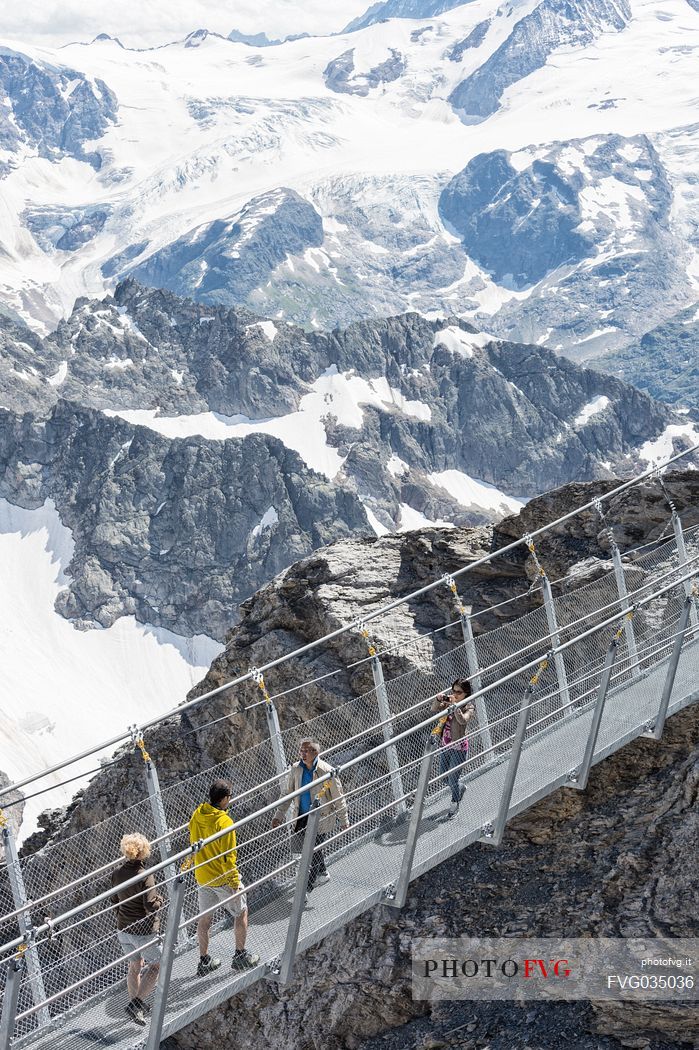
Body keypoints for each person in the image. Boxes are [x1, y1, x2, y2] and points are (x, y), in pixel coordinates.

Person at [189, 779, 260, 976]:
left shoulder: (197, 814)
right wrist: (235, 883)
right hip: (221, 878)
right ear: (224, 799)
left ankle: (204, 960)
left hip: (202, 877)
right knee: (241, 912)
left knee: (205, 920)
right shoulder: (224, 822)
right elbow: (228, 858)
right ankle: (240, 955)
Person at [271, 739, 349, 892]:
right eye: (301, 750)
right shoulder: (296, 769)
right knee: (308, 850)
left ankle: (305, 890)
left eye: (306, 751)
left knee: (310, 851)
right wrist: (279, 814)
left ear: (316, 753)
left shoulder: (326, 771)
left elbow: (338, 797)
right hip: (300, 817)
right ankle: (323, 873)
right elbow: (287, 793)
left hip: (321, 818)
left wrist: (344, 819)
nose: (303, 754)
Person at [110, 832, 163, 1028]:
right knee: (158, 965)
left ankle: (136, 1008)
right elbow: (150, 906)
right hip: (143, 932)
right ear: (143, 852)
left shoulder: (116, 874)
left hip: (123, 929)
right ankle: (136, 1003)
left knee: (135, 966)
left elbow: (115, 901)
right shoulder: (145, 876)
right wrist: (160, 900)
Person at [431, 679, 476, 817]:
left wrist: (455, 706)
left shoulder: (469, 707)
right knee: (444, 777)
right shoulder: (449, 703)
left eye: (459, 692)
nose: (455, 694)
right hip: (445, 745)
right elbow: (434, 709)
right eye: (453, 691)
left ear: (466, 693)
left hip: (459, 748)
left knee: (452, 779)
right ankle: (460, 788)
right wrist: (439, 700)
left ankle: (455, 804)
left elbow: (463, 720)